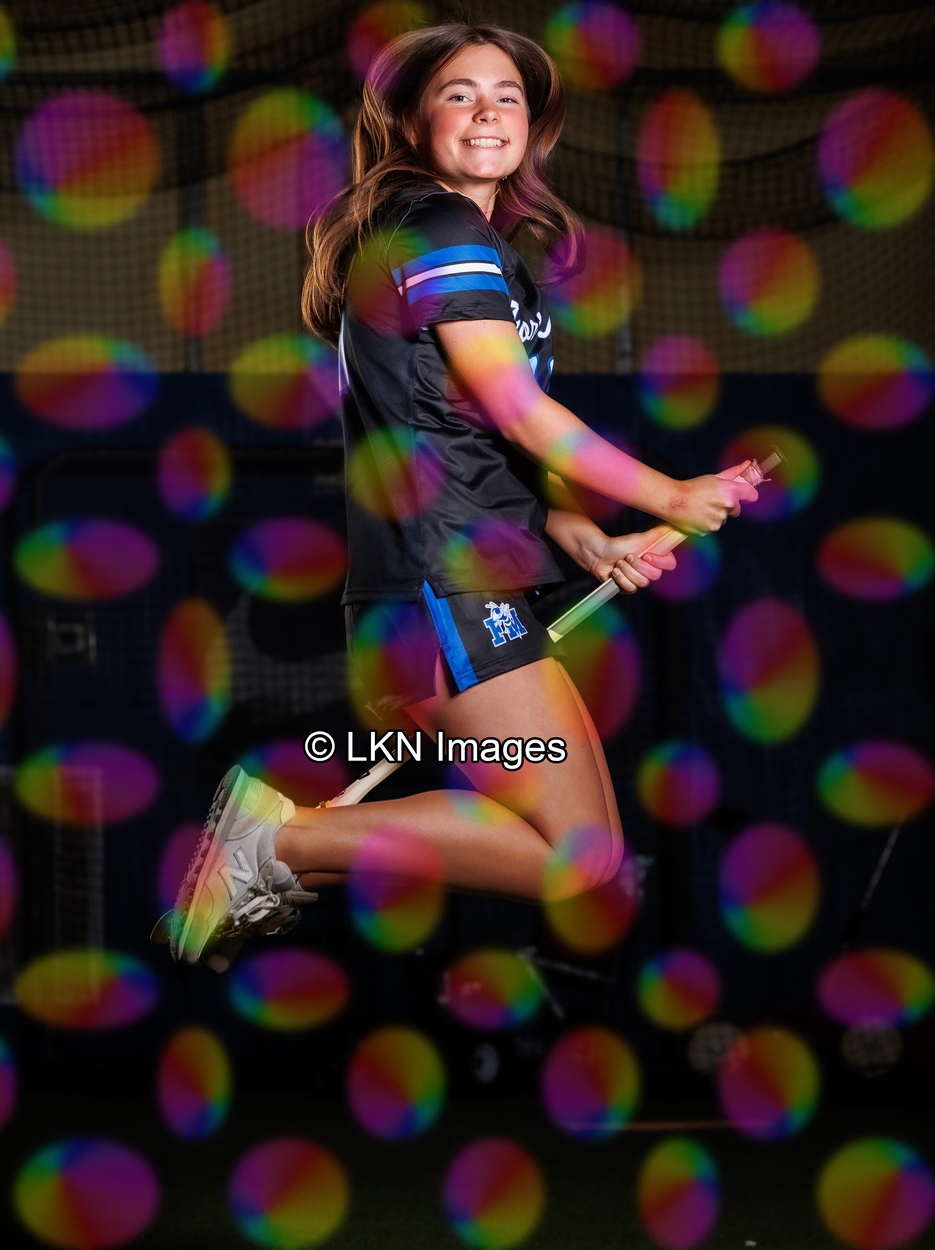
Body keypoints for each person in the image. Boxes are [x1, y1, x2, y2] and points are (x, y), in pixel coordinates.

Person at [163, 23, 757, 968]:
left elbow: (466, 428)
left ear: (533, 123)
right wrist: (672, 495)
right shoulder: (436, 226)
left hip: (462, 583)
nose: (488, 112)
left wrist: (584, 535)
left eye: (507, 95)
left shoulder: (468, 241)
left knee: (587, 853)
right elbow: (517, 409)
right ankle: (281, 842)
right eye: (458, 93)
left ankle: (279, 854)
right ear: (410, 121)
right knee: (578, 857)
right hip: (447, 583)